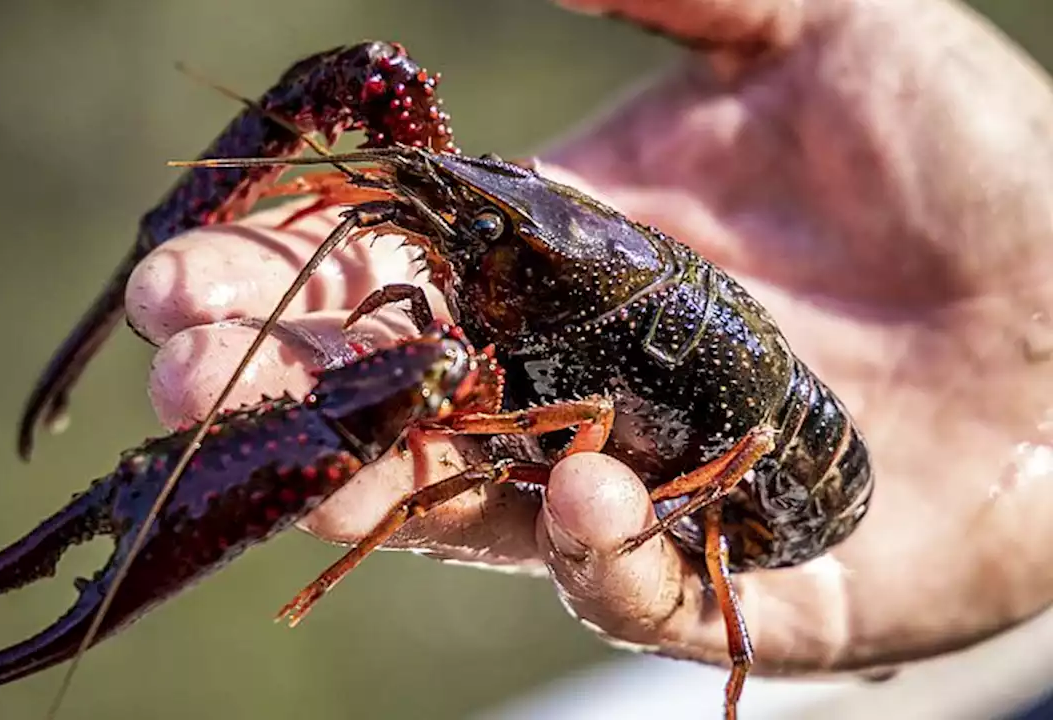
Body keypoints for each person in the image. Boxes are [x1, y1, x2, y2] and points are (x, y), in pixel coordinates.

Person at [124, 0, 1053, 688]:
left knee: (489, 433)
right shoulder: (524, 280)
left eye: (492, 233)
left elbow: (580, 417)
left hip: (792, 493)